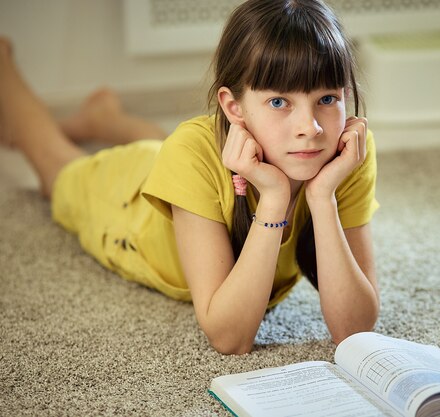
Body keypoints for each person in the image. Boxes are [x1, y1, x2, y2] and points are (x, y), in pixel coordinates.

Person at [0, 0, 379, 355]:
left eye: (327, 99)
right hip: (129, 208)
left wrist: (323, 198)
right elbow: (230, 337)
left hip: (182, 159)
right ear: (234, 108)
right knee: (55, 167)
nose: (310, 128)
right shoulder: (190, 154)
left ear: (346, 94)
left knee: (172, 149)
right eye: (279, 102)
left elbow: (354, 329)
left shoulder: (347, 149)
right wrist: (276, 199)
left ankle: (106, 119)